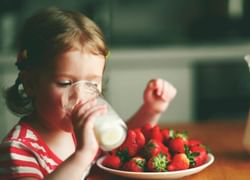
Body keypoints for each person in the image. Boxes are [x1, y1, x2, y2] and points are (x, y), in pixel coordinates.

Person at [0, 7, 177, 180]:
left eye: (92, 84)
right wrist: (82, 155)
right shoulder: (18, 150)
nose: (80, 97)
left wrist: (151, 109)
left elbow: (121, 145)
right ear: (31, 84)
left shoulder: (82, 129)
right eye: (65, 83)